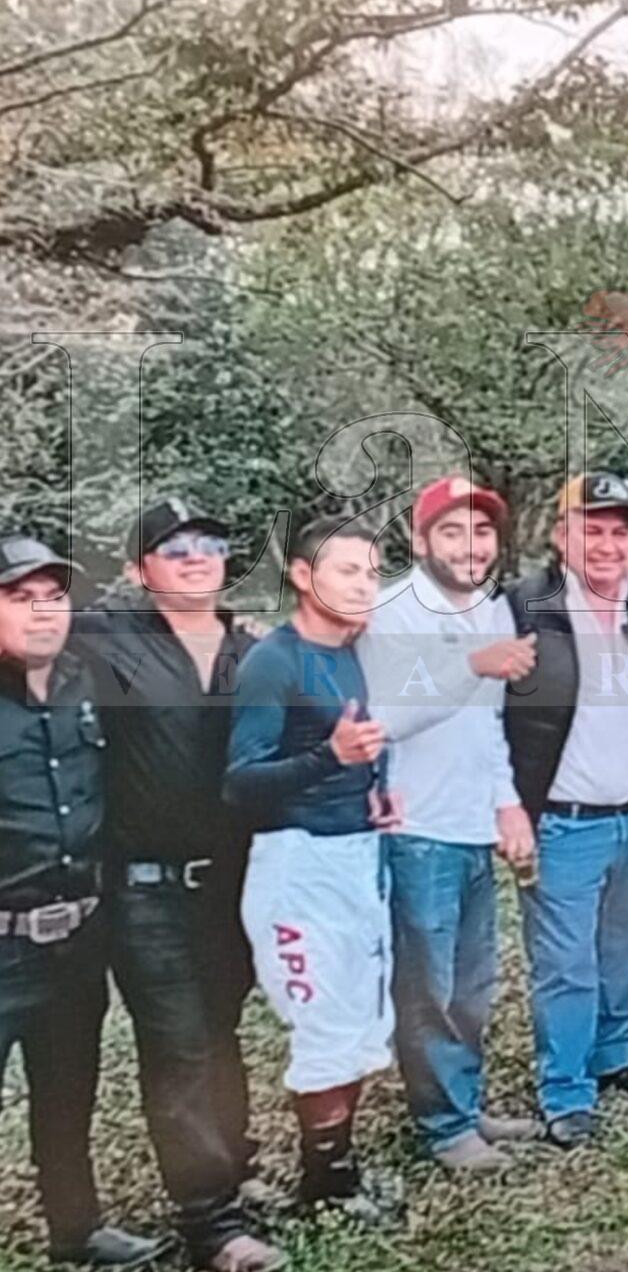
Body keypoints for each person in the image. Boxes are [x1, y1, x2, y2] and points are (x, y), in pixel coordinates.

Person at [69, 501, 283, 1272]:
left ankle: (233, 1167)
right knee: (180, 1046)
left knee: (222, 1031)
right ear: (138, 569)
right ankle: (211, 1228)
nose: (197, 557)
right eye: (173, 547)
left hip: (233, 880)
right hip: (143, 889)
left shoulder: (252, 649)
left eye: (211, 544)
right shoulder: (100, 637)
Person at [354, 477, 541, 1174]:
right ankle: (441, 1126)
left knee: (472, 982)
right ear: (420, 539)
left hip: (469, 822)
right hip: (416, 828)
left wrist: (507, 801)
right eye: (454, 532)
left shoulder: (492, 613)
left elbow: (485, 725)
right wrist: (468, 666)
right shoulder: (391, 612)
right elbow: (383, 718)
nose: (471, 547)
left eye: (483, 532)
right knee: (426, 985)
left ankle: (463, 1103)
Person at [503, 472, 628, 1149]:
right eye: (593, 528)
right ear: (561, 537)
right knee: (565, 965)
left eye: (622, 531)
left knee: (626, 949)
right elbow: (492, 720)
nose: (609, 544)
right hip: (563, 822)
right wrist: (510, 809)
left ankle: (615, 1058)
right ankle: (565, 1093)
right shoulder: (524, 606)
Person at [0, 534, 171, 1269]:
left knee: (67, 1096)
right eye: (21, 598)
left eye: (54, 597)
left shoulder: (88, 680)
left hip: (75, 940)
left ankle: (78, 1231)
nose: (44, 613)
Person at [224, 518, 398, 1222]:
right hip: (296, 866)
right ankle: (321, 1186)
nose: (362, 584)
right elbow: (239, 782)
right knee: (323, 1025)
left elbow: (352, 745)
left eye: (371, 572)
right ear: (302, 576)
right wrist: (333, 760)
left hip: (357, 854)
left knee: (359, 1019)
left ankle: (339, 1171)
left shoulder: (353, 651)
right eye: (345, 570)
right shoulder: (276, 661)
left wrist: (373, 787)